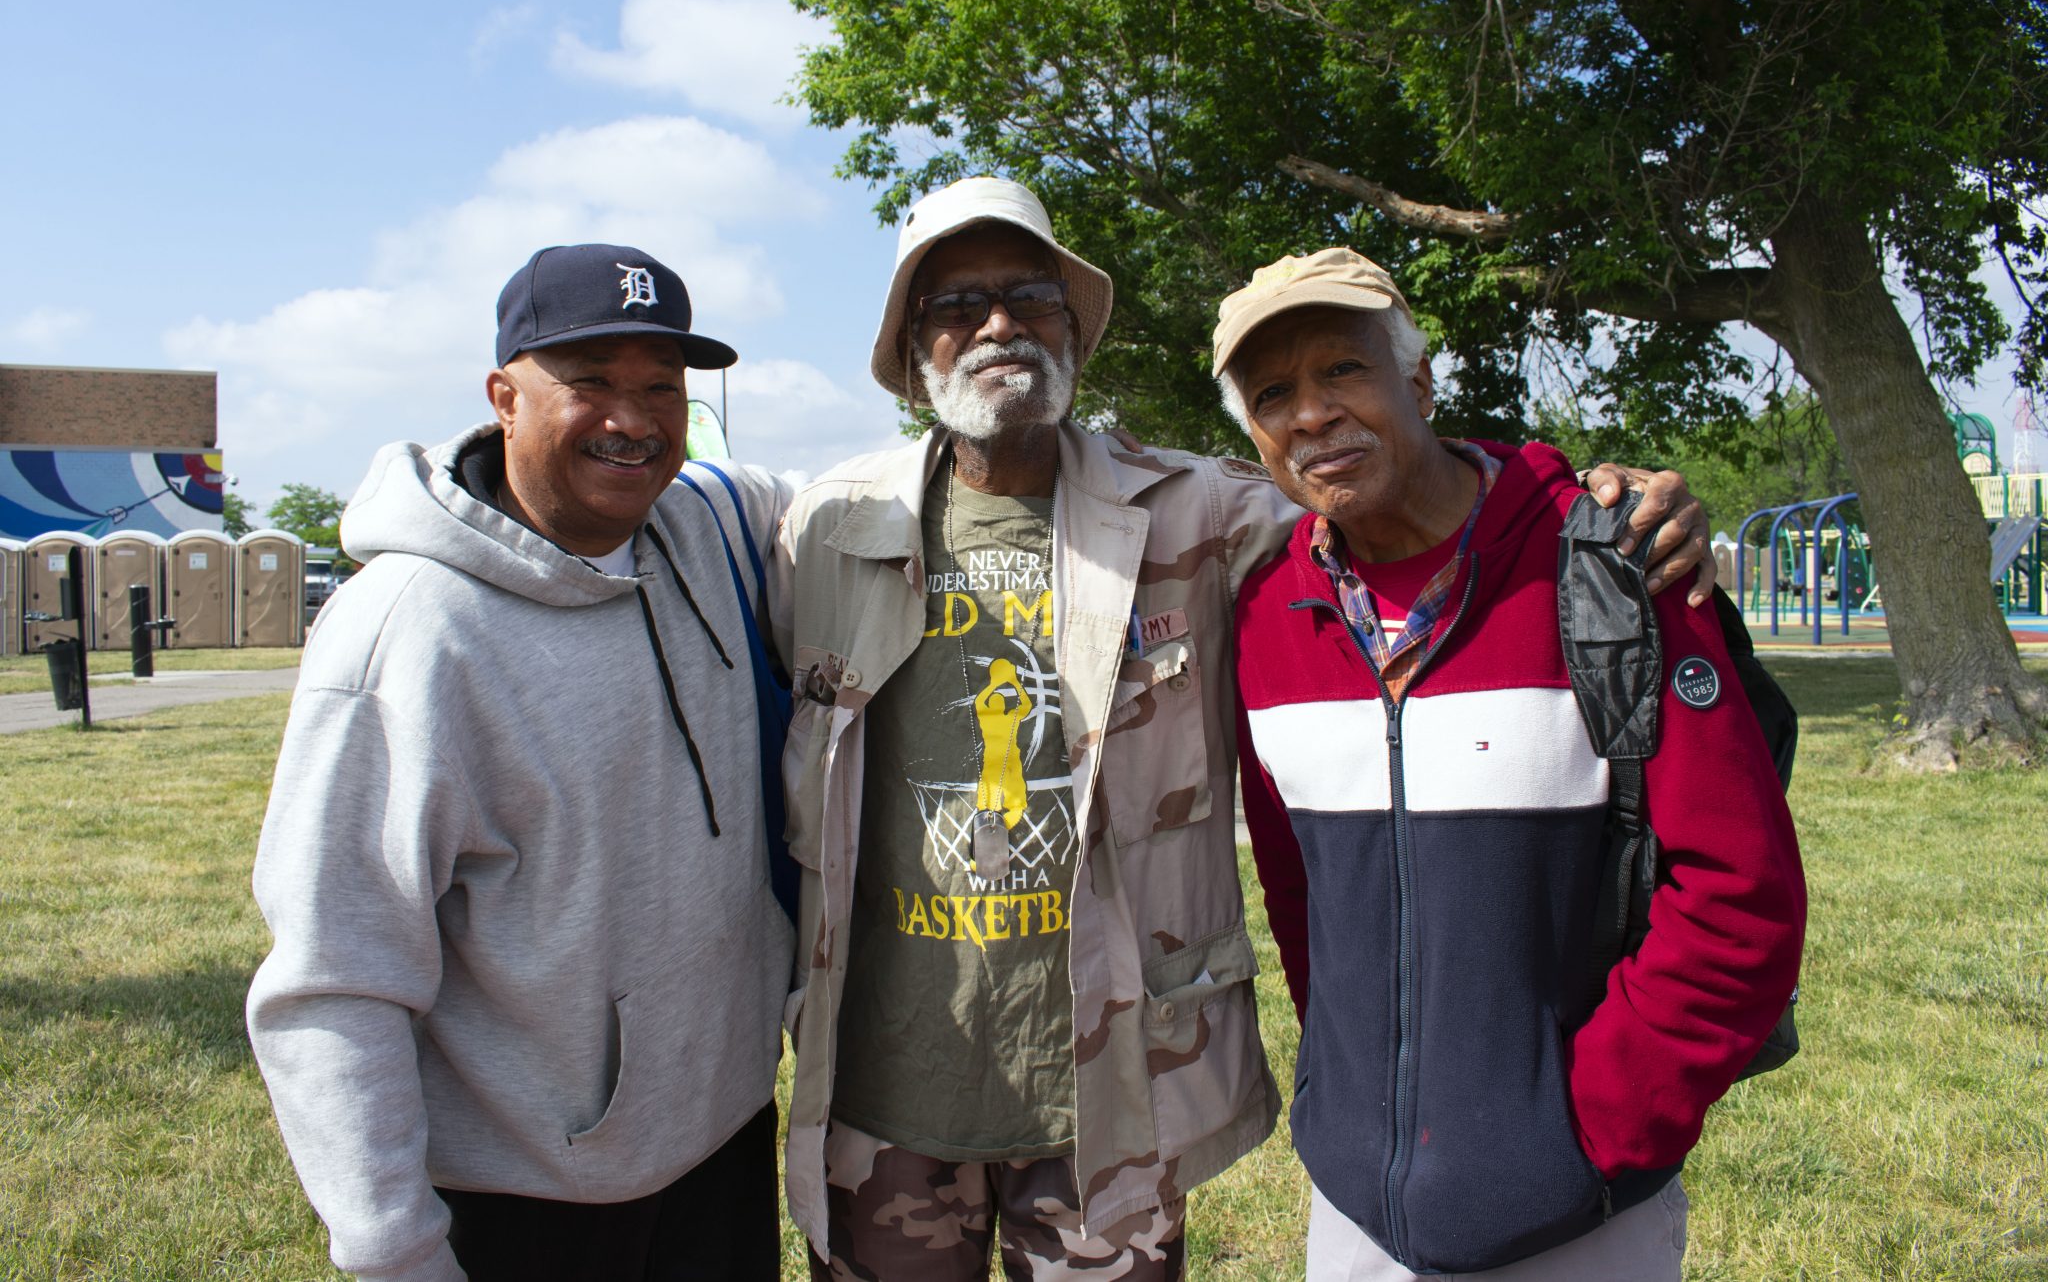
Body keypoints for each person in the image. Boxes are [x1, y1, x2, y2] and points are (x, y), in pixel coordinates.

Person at [769, 177, 1715, 1281]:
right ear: (908, 347)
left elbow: (1404, 491)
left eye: (1030, 295)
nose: (996, 325)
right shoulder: (825, 529)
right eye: (954, 304)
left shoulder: (1203, 509)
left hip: (1113, 1095)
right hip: (888, 1097)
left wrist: (1594, 508)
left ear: (1073, 328)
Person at [1219, 248, 1806, 1280]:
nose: (1309, 414)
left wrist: (1590, 1126)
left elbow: (1738, 894)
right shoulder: (1266, 618)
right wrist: (1339, 1102)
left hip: (1576, 1210)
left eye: (1341, 370)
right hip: (1352, 1207)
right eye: (1272, 394)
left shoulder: (1618, 566)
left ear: (1419, 380)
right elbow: (1300, 894)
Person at [246, 244, 792, 1282]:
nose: (631, 420)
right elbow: (335, 981)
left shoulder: (703, 529)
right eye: (589, 383)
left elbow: (862, 499)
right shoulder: (408, 633)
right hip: (529, 1198)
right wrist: (396, 1251)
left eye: (660, 388)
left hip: (722, 1138)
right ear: (504, 395)